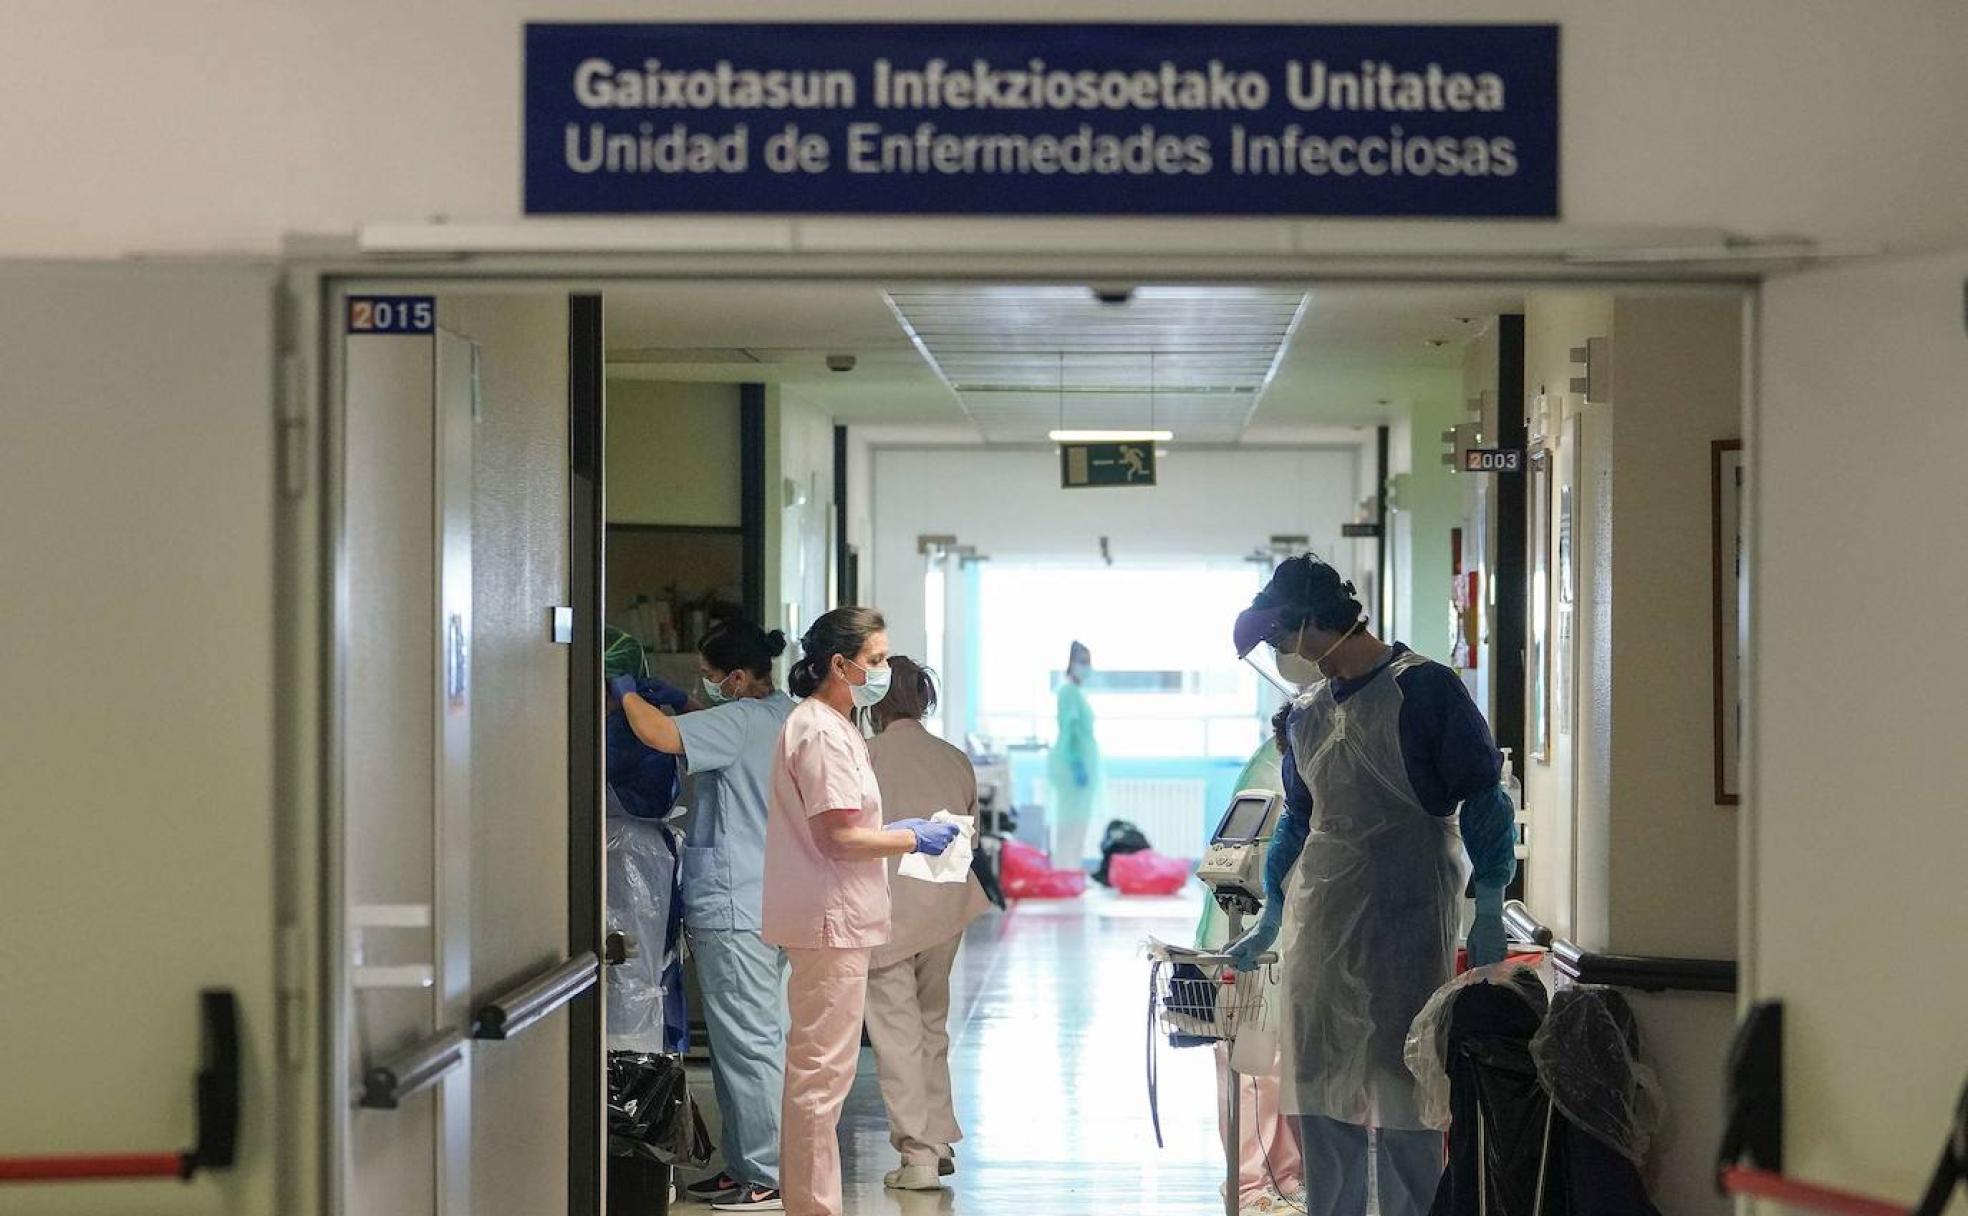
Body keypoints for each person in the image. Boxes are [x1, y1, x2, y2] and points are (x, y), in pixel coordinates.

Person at [1226, 555, 1518, 1216]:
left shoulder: (1426, 691)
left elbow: (1481, 795)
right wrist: (1272, 912)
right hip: (1323, 919)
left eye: (1281, 640)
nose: (1282, 656)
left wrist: (1493, 895)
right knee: (1321, 1079)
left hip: (1410, 910)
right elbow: (1298, 822)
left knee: (1406, 1077)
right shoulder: (1305, 715)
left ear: (1311, 622)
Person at [761, 607, 962, 1216]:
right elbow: (839, 838)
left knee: (821, 1076)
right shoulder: (819, 729)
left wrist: (890, 829)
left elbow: (847, 826)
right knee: (821, 1079)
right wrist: (908, 838)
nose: (881, 672)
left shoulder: (834, 726)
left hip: (835, 915)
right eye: (874, 661)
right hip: (831, 919)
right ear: (837, 665)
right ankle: (814, 1207)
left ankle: (811, 1202)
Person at [613, 618, 797, 1212]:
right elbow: (707, 722)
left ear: (738, 678)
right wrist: (681, 700)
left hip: (737, 903)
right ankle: (745, 1163)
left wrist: (625, 690)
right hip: (771, 896)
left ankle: (764, 1173)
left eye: (712, 676)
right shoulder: (783, 714)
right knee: (751, 1041)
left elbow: (659, 735)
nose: (705, 685)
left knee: (748, 1046)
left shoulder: (741, 721)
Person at [862, 658, 992, 1193]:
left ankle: (916, 1155)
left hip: (884, 910)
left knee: (895, 1035)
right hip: (944, 908)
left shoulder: (863, 756)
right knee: (931, 1026)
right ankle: (937, 1141)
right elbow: (969, 841)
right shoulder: (953, 758)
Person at [1046, 640, 1102, 874]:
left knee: (1079, 822)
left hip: (1081, 765)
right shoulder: (1068, 691)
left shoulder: (1078, 692)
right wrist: (1076, 762)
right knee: (1069, 822)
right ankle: (1064, 871)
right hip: (1071, 765)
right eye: (1083, 662)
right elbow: (1068, 728)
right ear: (1071, 663)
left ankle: (1072, 870)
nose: (1087, 667)